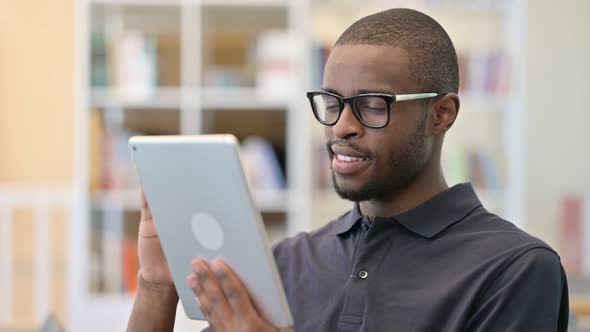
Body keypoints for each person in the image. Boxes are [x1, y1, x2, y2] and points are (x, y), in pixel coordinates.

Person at [127, 8, 569, 332]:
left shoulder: (517, 270)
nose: (342, 127)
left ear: (441, 114)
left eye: (373, 105)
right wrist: (155, 286)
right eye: (332, 103)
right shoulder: (285, 264)